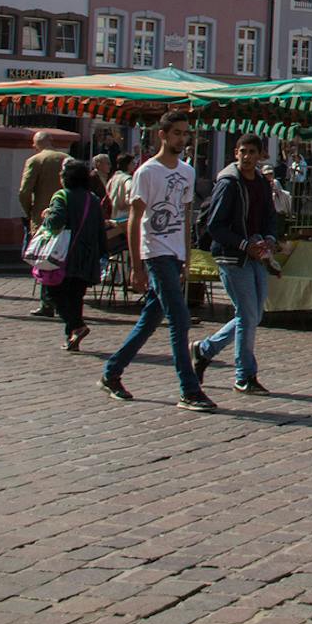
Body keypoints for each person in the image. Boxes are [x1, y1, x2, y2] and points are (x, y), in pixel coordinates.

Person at [100, 111, 215, 411]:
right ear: (162, 135)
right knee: (179, 318)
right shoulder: (147, 172)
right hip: (155, 251)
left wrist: (187, 255)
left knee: (150, 319)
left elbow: (186, 213)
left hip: (175, 252)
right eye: (176, 133)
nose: (182, 138)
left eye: (185, 133)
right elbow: (135, 218)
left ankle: (112, 372)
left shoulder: (188, 172)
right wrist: (137, 265)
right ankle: (189, 389)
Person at [193, 133, 283, 394]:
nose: (246, 157)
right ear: (236, 153)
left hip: (256, 253)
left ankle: (205, 349)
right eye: (242, 151)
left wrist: (268, 239)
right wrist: (245, 245)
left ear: (260, 155)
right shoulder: (229, 183)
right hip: (232, 256)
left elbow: (269, 216)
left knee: (254, 315)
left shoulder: (262, 184)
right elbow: (216, 225)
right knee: (246, 315)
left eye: (252, 152)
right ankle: (244, 375)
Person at [39, 157, 109, 353]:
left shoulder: (62, 196)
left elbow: (55, 222)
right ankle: (72, 336)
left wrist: (47, 215)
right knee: (76, 296)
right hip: (87, 254)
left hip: (64, 254)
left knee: (53, 293)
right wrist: (102, 252)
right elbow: (100, 229)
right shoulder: (93, 199)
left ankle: (76, 326)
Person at [19, 130, 71, 319]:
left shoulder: (35, 160)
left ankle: (47, 302)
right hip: (67, 216)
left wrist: (30, 211)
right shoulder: (66, 158)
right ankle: (61, 300)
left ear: (37, 144)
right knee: (61, 258)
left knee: (44, 259)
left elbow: (24, 191)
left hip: (43, 217)